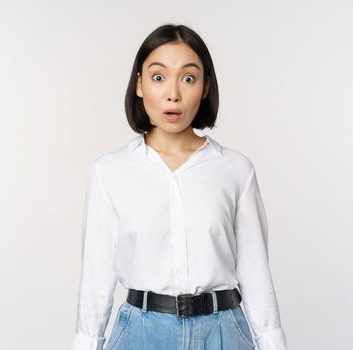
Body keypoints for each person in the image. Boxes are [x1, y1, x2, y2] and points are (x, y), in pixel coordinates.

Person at [71, 23, 288, 350]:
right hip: (141, 334)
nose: (173, 93)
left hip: (223, 333)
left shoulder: (235, 170)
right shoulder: (110, 172)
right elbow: (95, 281)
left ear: (204, 87)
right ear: (140, 84)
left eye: (188, 78)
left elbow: (256, 276)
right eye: (159, 77)